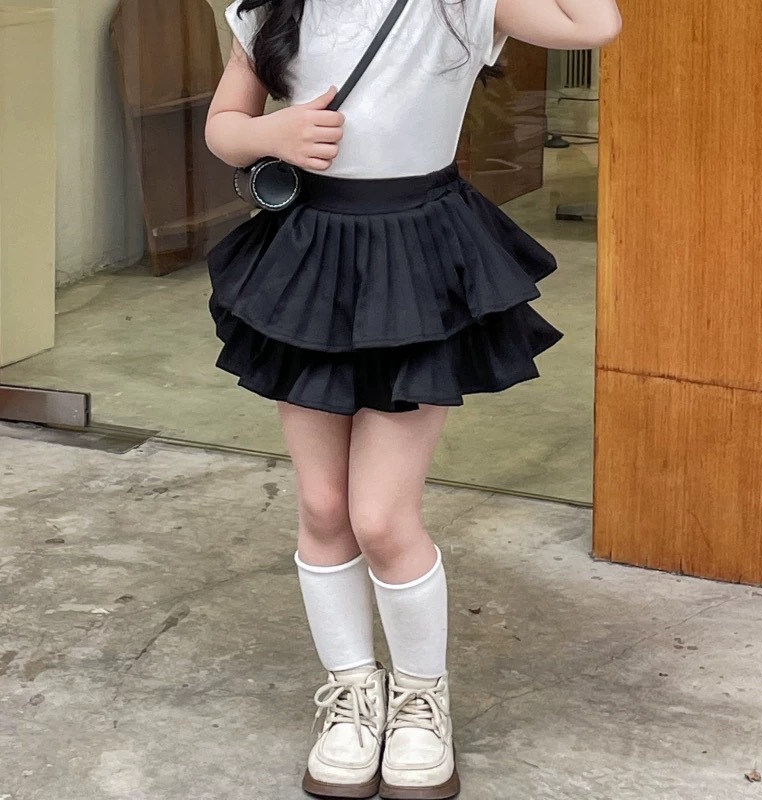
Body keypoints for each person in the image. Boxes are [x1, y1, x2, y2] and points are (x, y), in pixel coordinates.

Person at [205, 0, 621, 796]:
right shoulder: (273, 9)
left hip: (418, 258)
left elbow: (595, 25)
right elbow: (225, 124)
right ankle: (352, 696)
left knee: (382, 518)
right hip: (310, 256)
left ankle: (422, 701)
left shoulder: (459, 5)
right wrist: (270, 135)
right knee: (323, 507)